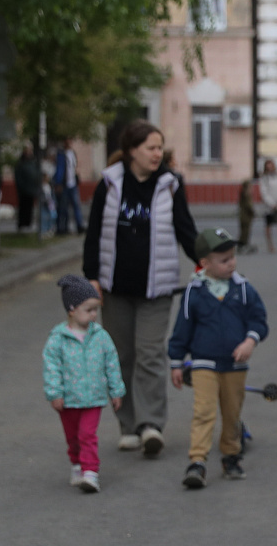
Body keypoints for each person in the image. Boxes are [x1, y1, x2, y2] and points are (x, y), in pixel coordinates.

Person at [83, 119, 199, 455]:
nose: (157, 153)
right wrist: (91, 276)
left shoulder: (170, 185)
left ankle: (150, 425)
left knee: (149, 353)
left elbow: (186, 230)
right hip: (114, 286)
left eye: (160, 147)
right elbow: (93, 233)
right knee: (122, 357)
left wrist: (207, 261)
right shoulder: (109, 184)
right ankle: (128, 425)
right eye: (151, 148)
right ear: (132, 151)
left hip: (156, 287)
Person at [168, 227, 268, 488]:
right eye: (224, 260)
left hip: (236, 365)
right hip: (203, 364)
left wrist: (250, 341)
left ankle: (231, 455)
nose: (231, 263)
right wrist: (176, 362)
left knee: (232, 413)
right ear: (205, 264)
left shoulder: (243, 289)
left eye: (232, 257)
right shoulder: (194, 292)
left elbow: (259, 320)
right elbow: (181, 330)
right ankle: (197, 461)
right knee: (203, 411)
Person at [42, 275, 126, 494]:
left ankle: (90, 472)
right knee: (73, 437)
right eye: (88, 310)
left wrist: (116, 391)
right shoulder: (58, 339)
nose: (93, 314)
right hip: (68, 400)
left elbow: (111, 363)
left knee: (87, 435)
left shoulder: (100, 336)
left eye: (95, 309)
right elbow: (51, 367)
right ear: (72, 309)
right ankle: (77, 463)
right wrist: (54, 393)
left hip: (93, 399)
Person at [54, 138, 85, 235]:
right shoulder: (61, 154)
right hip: (64, 184)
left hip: (72, 184)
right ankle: (62, 227)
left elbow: (74, 167)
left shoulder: (72, 153)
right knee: (63, 207)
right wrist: (58, 183)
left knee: (76, 206)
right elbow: (60, 169)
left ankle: (79, 225)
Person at [13, 142, 41, 232]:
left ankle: (28, 224)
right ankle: (22, 225)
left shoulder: (33, 163)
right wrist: (21, 187)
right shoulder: (21, 164)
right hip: (23, 190)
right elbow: (18, 177)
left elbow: (37, 173)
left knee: (30, 208)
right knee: (23, 208)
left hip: (32, 189)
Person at [236, 178, 257, 254]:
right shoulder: (246, 195)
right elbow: (249, 206)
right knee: (245, 232)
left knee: (245, 232)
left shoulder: (244, 194)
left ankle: (243, 245)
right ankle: (242, 245)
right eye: (250, 187)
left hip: (245, 216)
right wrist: (253, 212)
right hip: (245, 216)